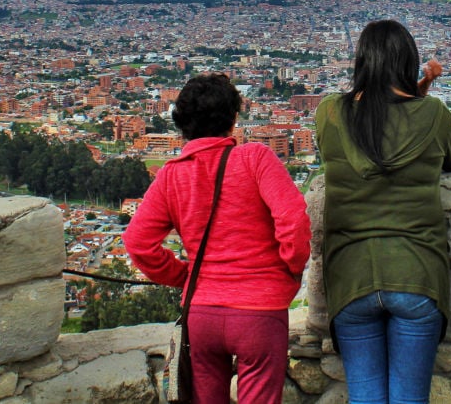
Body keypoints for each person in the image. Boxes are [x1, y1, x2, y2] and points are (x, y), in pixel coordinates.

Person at [123, 73, 311, 404]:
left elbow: (138, 243)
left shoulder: (172, 174)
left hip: (203, 314)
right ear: (234, 117)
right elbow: (293, 219)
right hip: (259, 310)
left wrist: (184, 276)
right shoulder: (255, 159)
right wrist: (290, 270)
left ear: (182, 124)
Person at [315, 19, 451, 404]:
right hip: (416, 274)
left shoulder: (330, 113)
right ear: (409, 62)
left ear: (362, 62)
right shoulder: (432, 114)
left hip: (351, 277)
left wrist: (417, 92)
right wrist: (423, 91)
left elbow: (374, 122)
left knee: (365, 398)